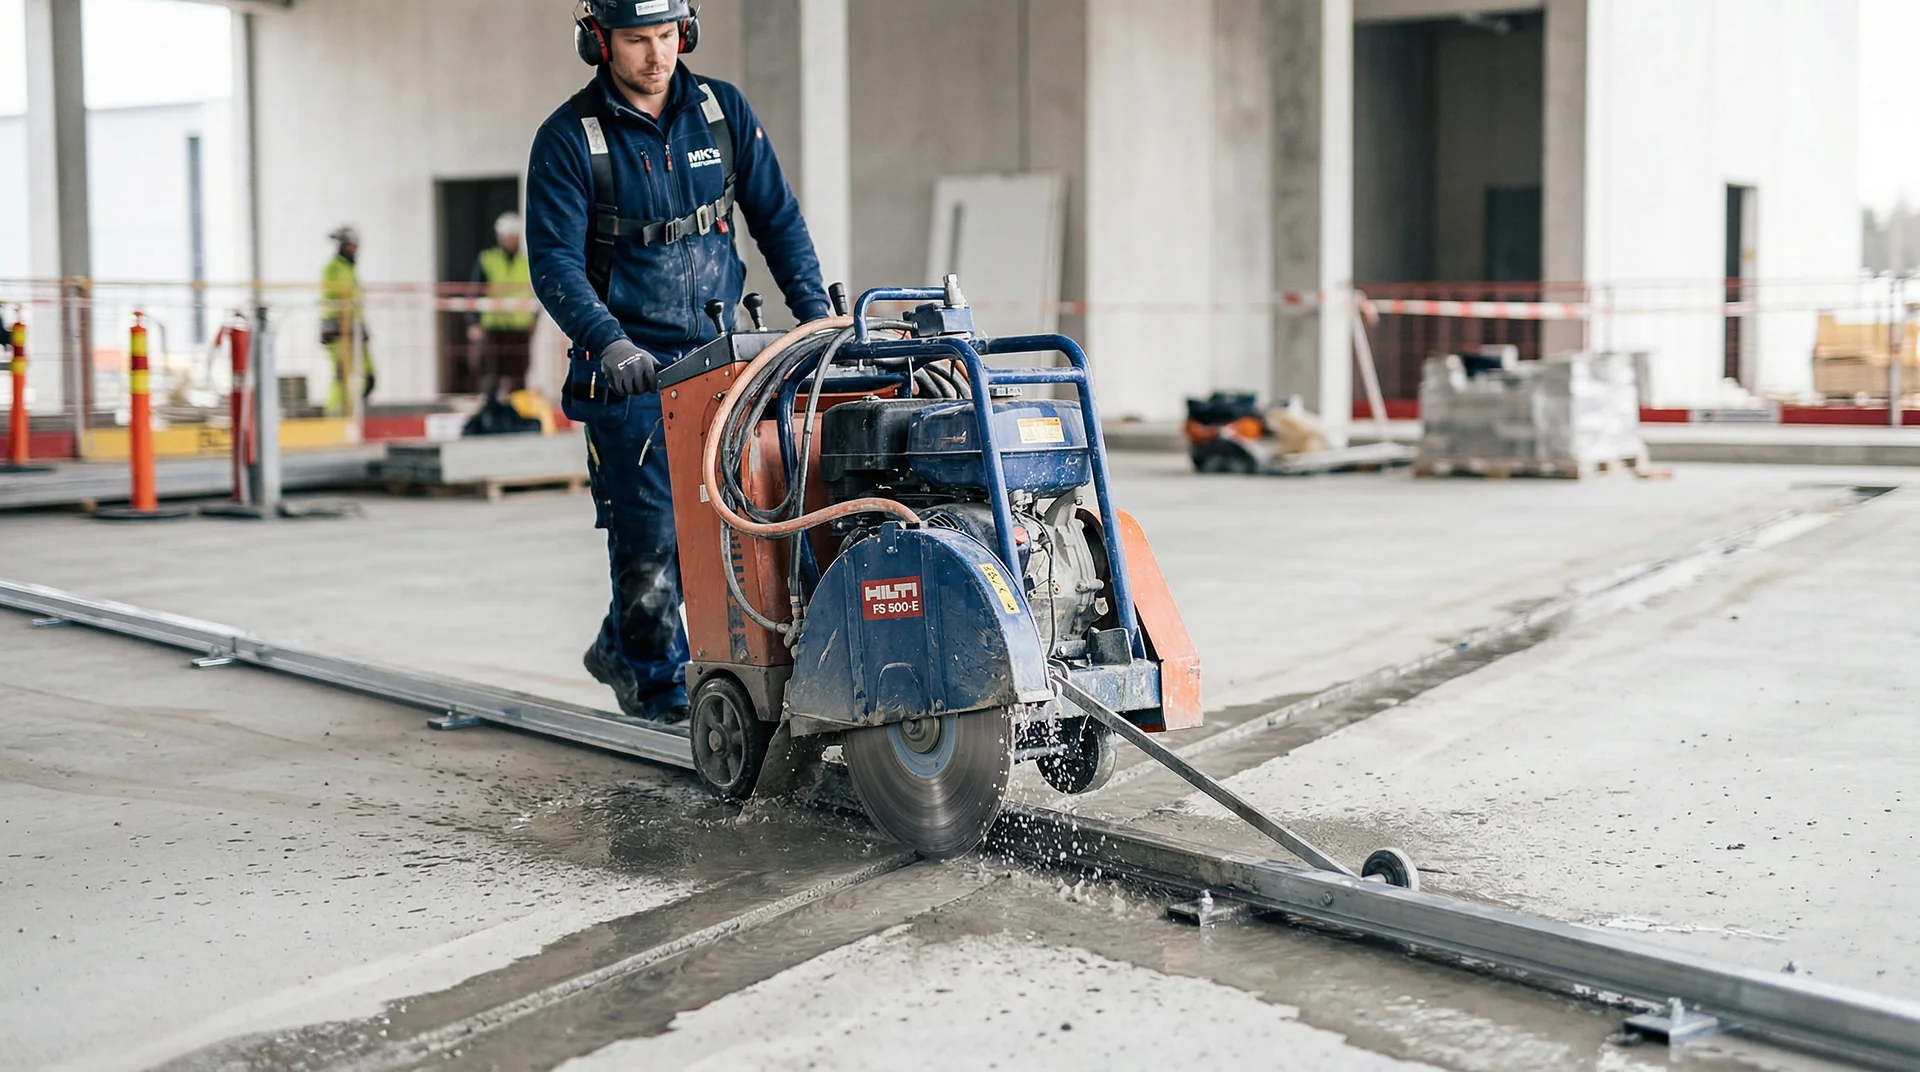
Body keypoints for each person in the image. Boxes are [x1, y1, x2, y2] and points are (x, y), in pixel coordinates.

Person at [527, 0, 830, 723]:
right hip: (629, 370)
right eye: (637, 40)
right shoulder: (571, 140)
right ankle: (657, 689)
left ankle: (621, 644)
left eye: (666, 36)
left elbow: (777, 218)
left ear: (685, 32)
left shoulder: (721, 114)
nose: (656, 55)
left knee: (754, 515)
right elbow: (555, 264)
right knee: (653, 534)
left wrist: (816, 313)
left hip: (723, 361)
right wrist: (608, 339)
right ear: (598, 41)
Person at [465, 212, 537, 398]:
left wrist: (534, 321)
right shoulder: (487, 259)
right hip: (494, 327)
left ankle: (518, 415)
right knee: (491, 375)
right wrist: (473, 323)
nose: (510, 240)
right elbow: (474, 292)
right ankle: (492, 411)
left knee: (519, 375)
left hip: (519, 328)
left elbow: (537, 295)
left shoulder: (526, 262)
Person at [321, 225, 375, 414]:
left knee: (369, 376)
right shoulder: (333, 268)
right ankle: (335, 413)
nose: (355, 250)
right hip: (336, 327)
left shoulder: (349, 268)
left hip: (354, 326)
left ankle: (355, 410)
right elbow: (334, 296)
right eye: (352, 246)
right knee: (342, 374)